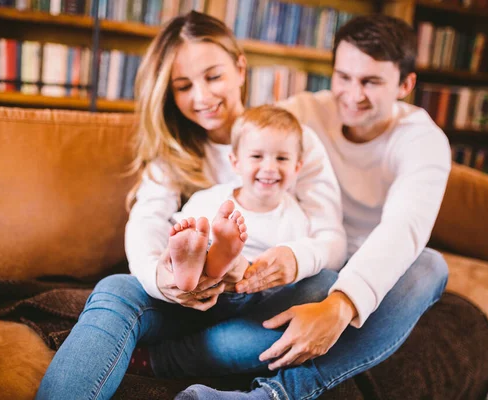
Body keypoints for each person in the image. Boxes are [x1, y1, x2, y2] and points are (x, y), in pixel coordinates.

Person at [36, 11, 348, 400]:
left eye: (213, 77)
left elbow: (332, 238)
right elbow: (147, 219)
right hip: (190, 294)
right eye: (183, 86)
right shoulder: (174, 149)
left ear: (240, 68)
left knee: (324, 285)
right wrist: (159, 280)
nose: (201, 97)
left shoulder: (290, 139)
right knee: (115, 288)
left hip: (263, 297)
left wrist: (294, 258)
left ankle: (167, 354)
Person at [175, 14, 452, 400]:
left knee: (431, 265)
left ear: (405, 85)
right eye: (344, 77)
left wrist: (340, 306)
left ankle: (271, 396)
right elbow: (249, 147)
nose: (353, 94)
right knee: (315, 281)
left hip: (374, 264)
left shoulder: (424, 141)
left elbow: (403, 228)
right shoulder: (304, 110)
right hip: (315, 256)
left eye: (371, 81)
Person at [169, 105, 309, 292]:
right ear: (236, 163)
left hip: (249, 291)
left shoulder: (294, 218)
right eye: (257, 156)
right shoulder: (210, 200)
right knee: (198, 241)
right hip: (200, 286)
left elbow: (290, 270)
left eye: (282, 159)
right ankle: (199, 261)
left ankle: (226, 259)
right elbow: (176, 232)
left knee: (246, 268)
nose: (269, 167)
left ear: (297, 167)